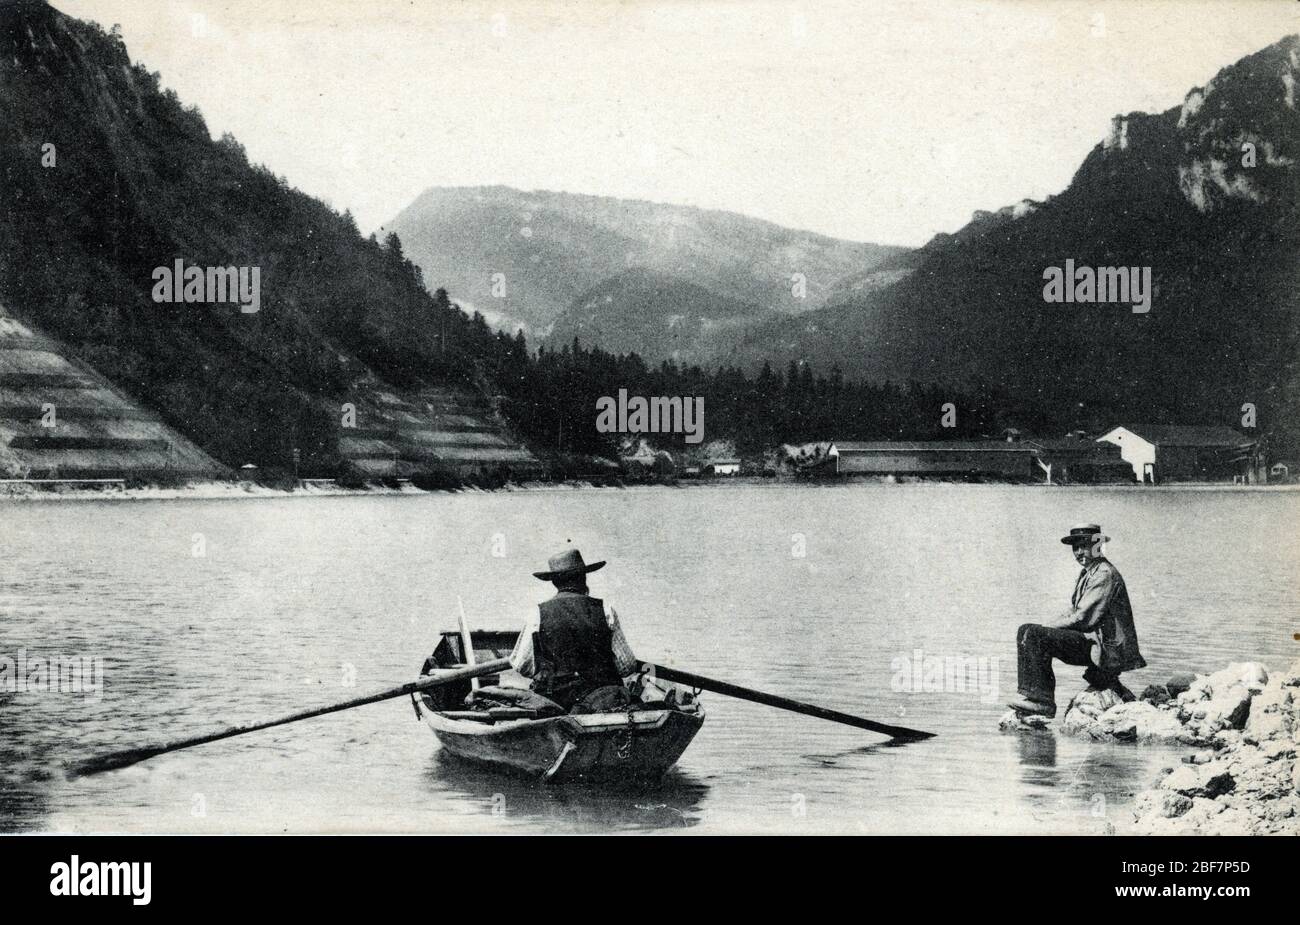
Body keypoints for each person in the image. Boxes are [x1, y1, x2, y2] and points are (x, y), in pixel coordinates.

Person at [1008, 523, 1146, 718]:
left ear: (1098, 546)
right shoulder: (1090, 572)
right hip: (1095, 644)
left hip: (1107, 652)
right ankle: (1036, 697)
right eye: (1075, 547)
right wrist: (1045, 627)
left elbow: (1083, 618)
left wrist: (1042, 630)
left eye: (1085, 546)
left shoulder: (1104, 573)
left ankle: (1041, 700)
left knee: (1032, 634)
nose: (1079, 552)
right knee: (1029, 631)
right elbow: (1074, 611)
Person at [508, 548, 639, 712]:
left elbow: (521, 665)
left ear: (555, 582)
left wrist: (547, 672)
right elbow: (626, 666)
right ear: (583, 577)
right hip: (603, 701)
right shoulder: (605, 609)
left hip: (555, 701)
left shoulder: (537, 613)